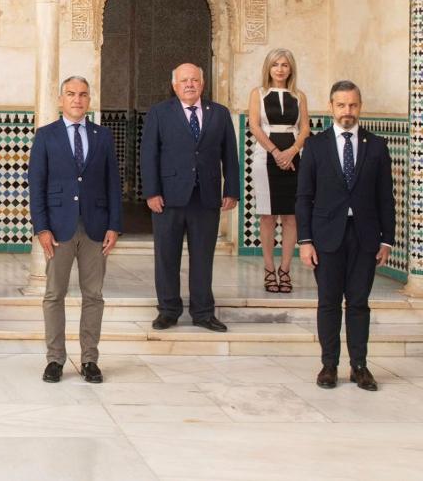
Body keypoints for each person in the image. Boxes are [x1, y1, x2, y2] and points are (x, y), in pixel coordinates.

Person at [296, 81, 394, 391]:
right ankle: (329, 365)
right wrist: (305, 240)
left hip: (365, 237)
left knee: (359, 302)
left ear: (360, 106)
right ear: (331, 107)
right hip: (326, 237)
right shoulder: (315, 145)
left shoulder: (376, 145)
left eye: (352, 105)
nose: (347, 111)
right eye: (341, 105)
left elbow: (386, 197)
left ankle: (359, 366)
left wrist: (387, 239)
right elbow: (304, 197)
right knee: (328, 302)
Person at [28, 75, 121, 383]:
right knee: (54, 294)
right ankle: (55, 359)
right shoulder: (46, 135)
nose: (77, 99)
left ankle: (90, 360)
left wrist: (114, 225)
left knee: (93, 295)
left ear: (89, 100)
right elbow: (36, 185)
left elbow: (113, 183)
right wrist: (42, 227)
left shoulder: (102, 136)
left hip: (96, 227)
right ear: (60, 99)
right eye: (71, 94)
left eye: (82, 94)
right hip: (58, 228)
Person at [140, 63, 239, 332]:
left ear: (202, 84)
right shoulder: (159, 113)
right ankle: (168, 311)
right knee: (166, 256)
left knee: (203, 258)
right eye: (184, 80)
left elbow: (230, 154)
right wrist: (151, 192)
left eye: (194, 80)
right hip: (168, 197)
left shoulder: (219, 113)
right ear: (174, 85)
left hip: (206, 197)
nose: (189, 84)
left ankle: (203, 313)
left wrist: (232, 190)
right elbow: (149, 154)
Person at [247, 48, 310, 293]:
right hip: (265, 157)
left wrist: (291, 152)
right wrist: (276, 152)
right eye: (275, 64)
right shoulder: (258, 93)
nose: (280, 69)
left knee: (291, 216)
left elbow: (305, 129)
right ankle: (268, 269)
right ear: (268, 68)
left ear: (291, 68)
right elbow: (254, 126)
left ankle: (285, 270)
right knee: (267, 216)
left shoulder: (299, 96)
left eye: (285, 64)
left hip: (294, 158)